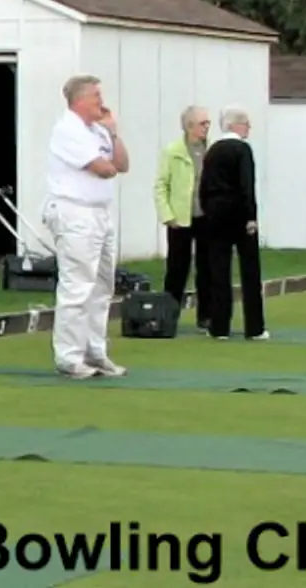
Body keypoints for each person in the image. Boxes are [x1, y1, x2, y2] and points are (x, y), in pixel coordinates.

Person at [45, 74, 131, 379]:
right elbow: (104, 169)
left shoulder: (97, 129)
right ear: (80, 100)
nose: (102, 102)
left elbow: (122, 164)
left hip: (100, 212)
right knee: (77, 285)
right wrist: (108, 162)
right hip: (74, 212)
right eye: (96, 96)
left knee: (101, 285)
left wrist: (114, 133)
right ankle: (69, 356)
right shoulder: (68, 129)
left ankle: (95, 352)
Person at [196, 107, 269, 342]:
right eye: (246, 123)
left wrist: (208, 210)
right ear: (235, 125)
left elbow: (203, 186)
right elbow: (247, 185)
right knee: (249, 270)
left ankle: (219, 327)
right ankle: (254, 327)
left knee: (219, 270)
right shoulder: (242, 149)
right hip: (239, 214)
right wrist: (251, 217)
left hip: (216, 214)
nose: (249, 127)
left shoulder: (213, 151)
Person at [152, 106, 212, 324]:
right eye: (202, 123)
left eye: (208, 123)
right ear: (189, 126)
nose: (207, 127)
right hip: (180, 219)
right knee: (177, 268)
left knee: (207, 268)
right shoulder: (173, 151)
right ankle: (169, 315)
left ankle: (206, 316)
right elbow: (161, 185)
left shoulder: (211, 151)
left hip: (205, 217)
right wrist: (167, 215)